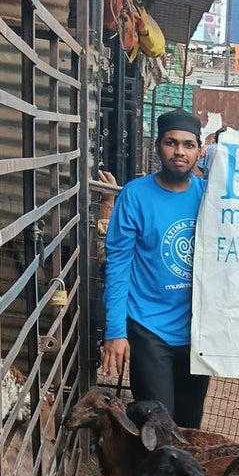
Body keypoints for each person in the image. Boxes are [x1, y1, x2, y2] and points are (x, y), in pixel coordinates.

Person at [101, 108, 210, 428]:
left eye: (188, 145)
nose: (180, 152)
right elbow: (118, 265)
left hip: (196, 333)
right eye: (171, 143)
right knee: (158, 425)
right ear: (158, 147)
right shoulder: (136, 196)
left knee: (190, 427)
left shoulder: (209, 197)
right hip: (148, 328)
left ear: (199, 151)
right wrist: (116, 331)